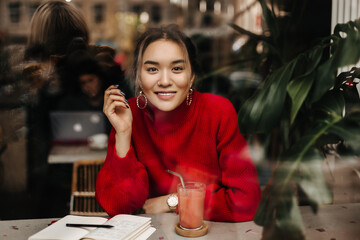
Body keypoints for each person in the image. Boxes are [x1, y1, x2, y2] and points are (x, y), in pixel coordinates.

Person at [96, 24, 261, 222]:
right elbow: (118, 209)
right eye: (152, 69)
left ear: (191, 77)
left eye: (177, 68)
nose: (165, 80)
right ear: (139, 77)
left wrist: (173, 201)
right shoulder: (127, 114)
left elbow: (247, 202)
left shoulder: (218, 112)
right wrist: (123, 133)